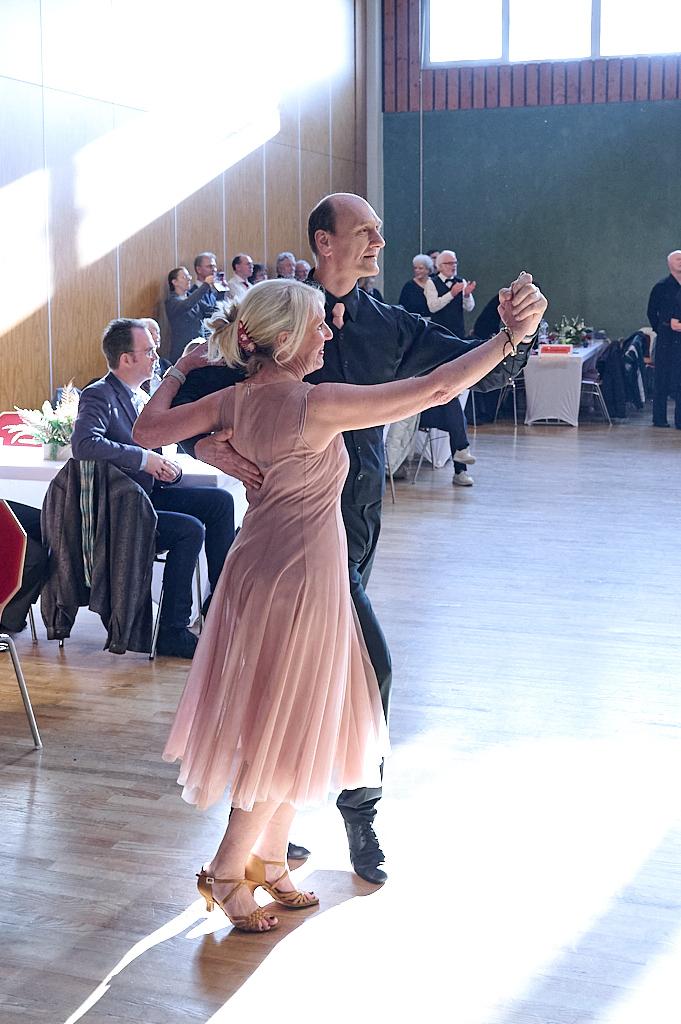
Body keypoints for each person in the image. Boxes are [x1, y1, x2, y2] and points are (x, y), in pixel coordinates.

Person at [133, 275, 546, 932]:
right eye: (318, 324)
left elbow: (147, 428)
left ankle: (270, 860)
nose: (329, 331)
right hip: (297, 578)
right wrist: (507, 340)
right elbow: (434, 389)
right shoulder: (315, 403)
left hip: (265, 569)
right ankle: (225, 870)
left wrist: (182, 368)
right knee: (281, 725)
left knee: (295, 718)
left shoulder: (235, 399)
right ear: (286, 338)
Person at [71, 318, 235, 658]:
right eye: (149, 351)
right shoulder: (99, 394)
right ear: (126, 358)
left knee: (220, 502)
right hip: (120, 509)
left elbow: (155, 454)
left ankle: (220, 603)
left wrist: (168, 471)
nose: (156, 357)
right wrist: (144, 459)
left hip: (150, 496)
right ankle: (173, 630)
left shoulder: (143, 395)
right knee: (189, 530)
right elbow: (84, 445)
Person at [647, 250, 681, 428]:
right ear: (670, 263)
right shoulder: (661, 286)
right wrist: (662, 327)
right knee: (662, 378)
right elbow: (652, 312)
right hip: (666, 339)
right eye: (678, 259)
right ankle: (659, 419)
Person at [165, 266, 214, 362]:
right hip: (182, 352)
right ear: (174, 282)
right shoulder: (172, 301)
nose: (189, 279)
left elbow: (211, 311)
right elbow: (186, 305)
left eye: (189, 276)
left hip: (199, 348)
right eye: (184, 277)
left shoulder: (191, 298)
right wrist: (205, 285)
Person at [425, 250, 477, 338]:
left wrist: (467, 295)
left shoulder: (461, 281)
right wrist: (451, 294)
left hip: (458, 332)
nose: (453, 266)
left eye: (455, 263)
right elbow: (432, 307)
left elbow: (469, 308)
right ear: (440, 266)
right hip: (439, 332)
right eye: (449, 263)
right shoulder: (431, 282)